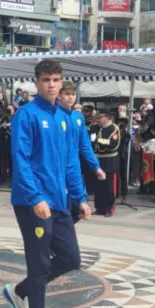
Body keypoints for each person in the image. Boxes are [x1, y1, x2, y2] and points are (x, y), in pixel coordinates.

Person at [0, 59, 90, 308]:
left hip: (60, 201)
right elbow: (21, 160)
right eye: (46, 80)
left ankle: (20, 291)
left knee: (71, 258)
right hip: (32, 203)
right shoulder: (26, 116)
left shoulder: (64, 118)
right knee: (39, 265)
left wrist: (80, 197)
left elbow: (70, 162)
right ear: (37, 82)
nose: (52, 85)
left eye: (56, 80)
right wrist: (35, 197)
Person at [58, 84, 105, 217]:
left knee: (77, 208)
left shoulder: (78, 118)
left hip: (73, 164)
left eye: (73, 94)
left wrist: (96, 166)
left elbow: (85, 145)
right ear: (59, 96)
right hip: (57, 165)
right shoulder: (54, 115)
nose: (70, 97)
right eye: (67, 94)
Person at [89, 110, 121, 215]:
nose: (98, 120)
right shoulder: (94, 127)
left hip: (109, 160)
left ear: (107, 117)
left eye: (100, 118)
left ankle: (109, 209)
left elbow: (113, 144)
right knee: (98, 186)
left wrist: (98, 140)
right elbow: (90, 141)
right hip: (97, 159)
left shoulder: (113, 128)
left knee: (109, 187)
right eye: (97, 118)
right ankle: (99, 208)